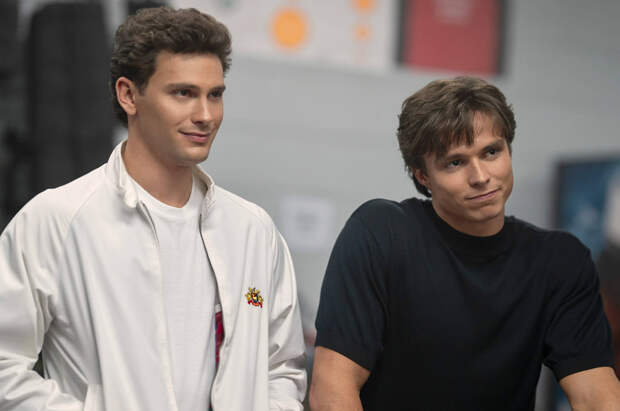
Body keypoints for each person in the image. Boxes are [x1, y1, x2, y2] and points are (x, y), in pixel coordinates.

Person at [0, 7, 306, 411]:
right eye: (183, 93)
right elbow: (4, 366)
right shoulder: (56, 220)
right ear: (128, 95)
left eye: (215, 95)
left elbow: (282, 369)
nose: (205, 115)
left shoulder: (253, 231)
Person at [310, 76, 620, 410]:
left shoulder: (559, 261)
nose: (481, 176)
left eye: (491, 152)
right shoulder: (381, 234)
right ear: (423, 176)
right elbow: (332, 388)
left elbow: (595, 394)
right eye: (455, 162)